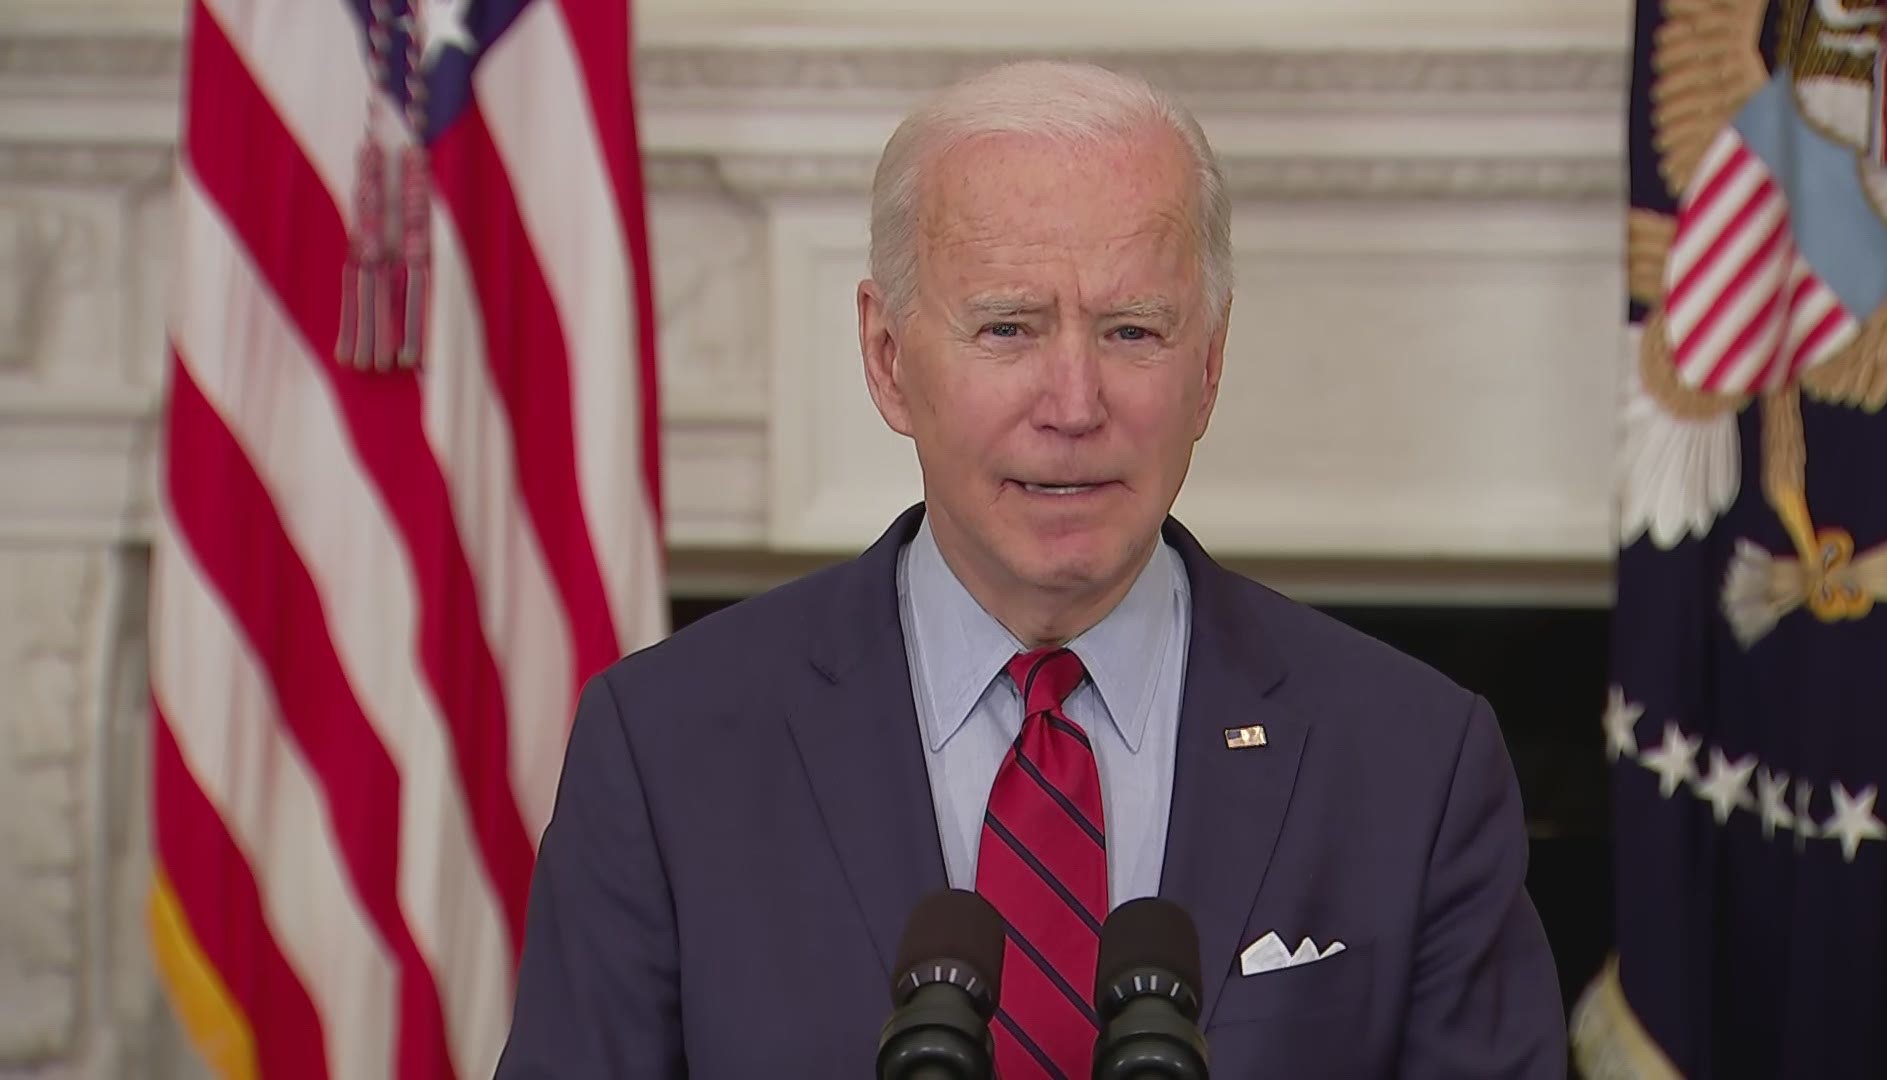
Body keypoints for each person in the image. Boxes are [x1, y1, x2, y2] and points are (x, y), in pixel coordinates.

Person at [495, 60, 1565, 1079]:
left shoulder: (1414, 765)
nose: (1074, 403)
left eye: (1133, 330)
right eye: (1008, 327)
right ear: (886, 357)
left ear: (1209, 366)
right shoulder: (667, 752)